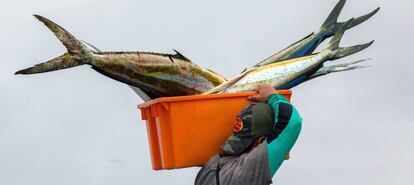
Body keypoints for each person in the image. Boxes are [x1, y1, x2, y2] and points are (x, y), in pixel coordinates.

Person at [194, 84, 303, 185]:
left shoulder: (210, 166)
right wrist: (272, 96)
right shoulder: (246, 172)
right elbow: (292, 124)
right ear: (261, 141)